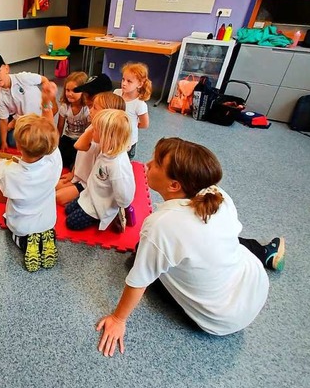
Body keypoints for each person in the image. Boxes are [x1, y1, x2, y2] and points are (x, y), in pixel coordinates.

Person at [96, 137, 285, 357]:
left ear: (174, 185)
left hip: (216, 320)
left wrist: (118, 319)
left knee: (138, 256)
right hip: (254, 287)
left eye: (156, 163)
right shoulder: (218, 195)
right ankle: (265, 252)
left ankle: (264, 253)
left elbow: (139, 281)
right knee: (220, 242)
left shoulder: (161, 226)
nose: (147, 164)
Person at [0, 113, 62, 272]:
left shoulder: (10, 172)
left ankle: (25, 243)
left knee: (12, 227)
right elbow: (54, 147)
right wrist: (48, 109)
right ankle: (48, 238)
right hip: (48, 220)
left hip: (22, 225)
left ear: (19, 146)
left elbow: (4, 190)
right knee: (44, 223)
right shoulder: (53, 164)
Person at [64, 109, 135, 232]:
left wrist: (120, 207)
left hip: (101, 205)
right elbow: (79, 145)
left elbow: (125, 197)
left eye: (95, 130)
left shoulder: (117, 165)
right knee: (67, 210)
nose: (92, 131)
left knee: (70, 223)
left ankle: (101, 218)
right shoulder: (106, 148)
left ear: (107, 136)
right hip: (90, 194)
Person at [56, 91, 125, 206]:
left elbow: (79, 146)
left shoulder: (102, 140)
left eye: (95, 108)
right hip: (79, 177)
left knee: (57, 197)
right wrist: (73, 174)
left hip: (87, 184)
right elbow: (79, 150)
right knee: (51, 186)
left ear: (106, 115)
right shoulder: (92, 127)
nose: (90, 110)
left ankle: (84, 203)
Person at [0, 52, 58, 152]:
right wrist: (4, 142)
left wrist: (51, 100)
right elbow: (3, 120)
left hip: (43, 114)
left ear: (6, 69)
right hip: (26, 121)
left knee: (40, 143)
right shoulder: (0, 97)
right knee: (14, 142)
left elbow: (44, 80)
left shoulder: (23, 77)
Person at [113, 63, 151, 159]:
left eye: (129, 81)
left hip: (128, 142)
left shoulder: (139, 104)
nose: (124, 83)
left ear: (140, 84)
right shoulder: (116, 93)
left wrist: (132, 125)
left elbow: (145, 124)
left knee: (124, 164)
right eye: (123, 79)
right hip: (113, 136)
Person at [57, 71, 89, 169]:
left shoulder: (86, 109)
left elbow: (88, 132)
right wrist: (56, 146)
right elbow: (59, 127)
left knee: (76, 164)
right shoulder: (64, 107)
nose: (70, 94)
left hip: (81, 139)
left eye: (75, 91)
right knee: (60, 161)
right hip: (67, 137)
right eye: (67, 90)